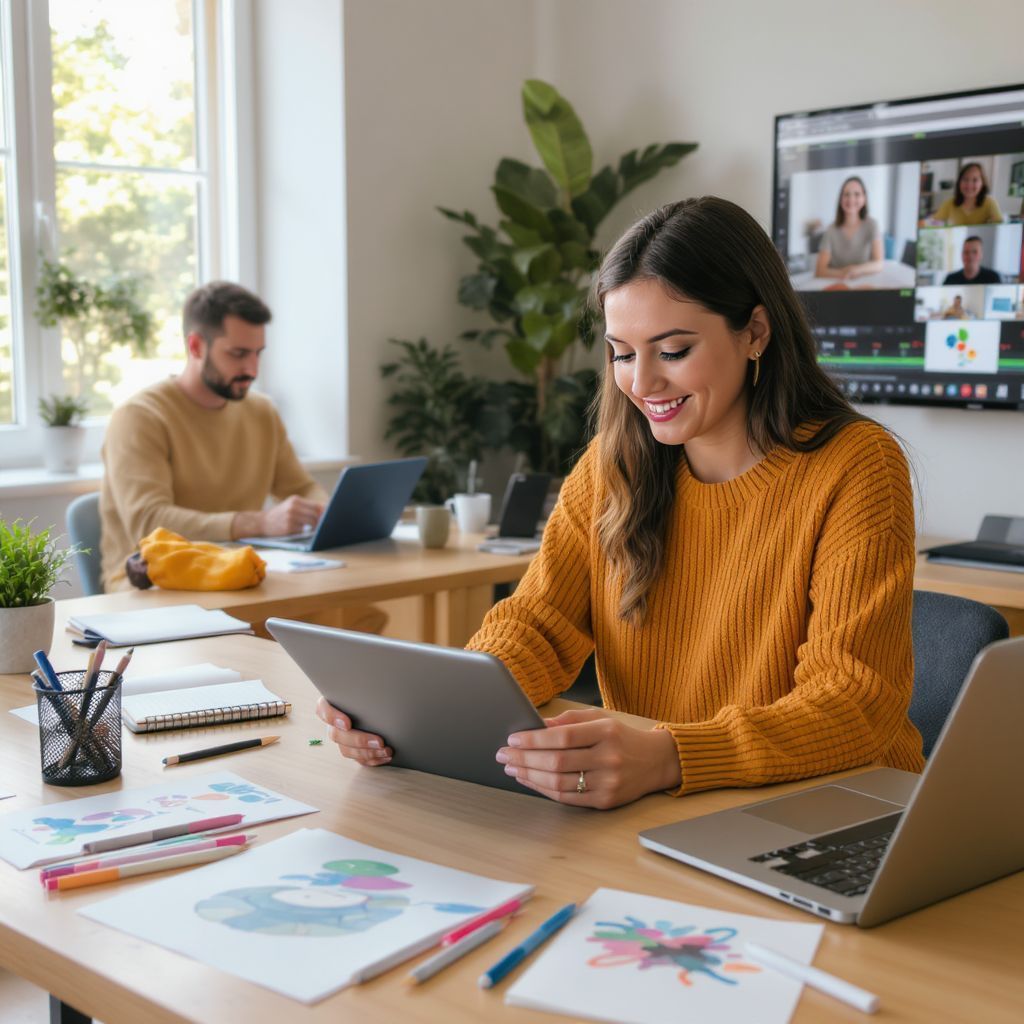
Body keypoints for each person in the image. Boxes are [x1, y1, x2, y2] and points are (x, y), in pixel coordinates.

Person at [317, 197, 925, 809]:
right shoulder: (614, 464)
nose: (641, 384)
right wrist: (434, 711)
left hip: (834, 803)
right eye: (623, 353)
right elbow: (537, 626)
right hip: (668, 803)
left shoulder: (856, 465)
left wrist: (670, 756)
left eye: (674, 350)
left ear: (756, 332)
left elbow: (854, 703)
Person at [100, 282, 327, 591]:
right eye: (238, 354)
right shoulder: (140, 417)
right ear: (195, 347)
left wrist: (325, 512)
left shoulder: (262, 412)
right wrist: (259, 524)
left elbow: (300, 487)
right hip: (153, 584)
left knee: (348, 611)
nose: (252, 368)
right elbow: (149, 522)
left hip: (242, 575)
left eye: (258, 354)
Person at [814, 176, 884, 280]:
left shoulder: (872, 225)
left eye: (857, 194)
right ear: (841, 199)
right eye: (846, 194)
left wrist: (856, 269)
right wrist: (843, 274)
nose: (851, 199)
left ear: (864, 198)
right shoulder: (831, 230)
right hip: (836, 284)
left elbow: (879, 264)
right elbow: (820, 270)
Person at [932, 163, 1003, 226]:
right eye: (965, 179)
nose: (969, 185)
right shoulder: (948, 203)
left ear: (982, 183)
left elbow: (1000, 226)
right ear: (959, 182)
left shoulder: (990, 203)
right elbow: (934, 224)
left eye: (975, 180)